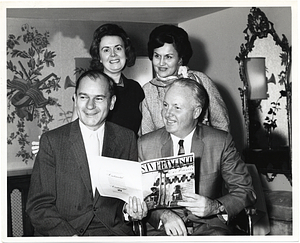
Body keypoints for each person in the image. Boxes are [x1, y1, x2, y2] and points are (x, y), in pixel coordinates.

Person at [26, 70, 147, 236]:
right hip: (66, 233)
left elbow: (126, 199)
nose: (90, 105)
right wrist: (71, 238)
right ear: (75, 100)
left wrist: (132, 211)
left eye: (98, 98)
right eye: (83, 97)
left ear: (111, 102)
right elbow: (38, 206)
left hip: (112, 233)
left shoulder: (126, 139)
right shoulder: (52, 141)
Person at [138, 78, 256, 236]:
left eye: (177, 107)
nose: (167, 114)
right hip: (162, 230)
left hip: (210, 229)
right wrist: (164, 215)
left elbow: (245, 191)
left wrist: (215, 207)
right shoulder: (145, 144)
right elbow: (139, 197)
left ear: (196, 112)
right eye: (165, 105)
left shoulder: (220, 142)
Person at [31, 23, 144, 154]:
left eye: (118, 48)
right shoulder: (88, 87)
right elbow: (74, 129)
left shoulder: (136, 88)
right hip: (96, 158)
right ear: (100, 57)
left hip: (126, 158)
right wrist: (52, 143)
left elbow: (141, 132)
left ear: (126, 52)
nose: (113, 55)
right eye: (106, 50)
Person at [141, 24, 230, 135]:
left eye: (168, 57)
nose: (161, 63)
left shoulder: (201, 80)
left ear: (180, 59)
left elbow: (222, 126)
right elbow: (147, 136)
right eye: (157, 56)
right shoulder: (147, 90)